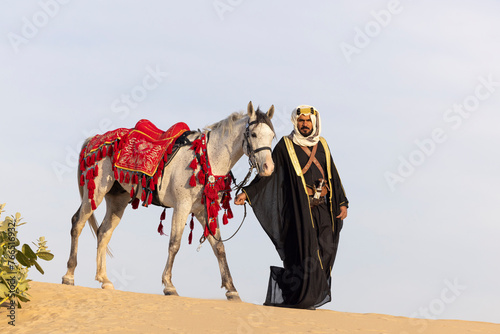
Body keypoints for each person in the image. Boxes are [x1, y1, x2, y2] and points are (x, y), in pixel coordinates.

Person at [234, 105, 348, 309]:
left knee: (327, 250)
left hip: (323, 208)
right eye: (301, 121)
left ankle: (308, 295)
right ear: (296, 122)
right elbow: (269, 175)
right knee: (305, 254)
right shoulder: (286, 145)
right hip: (299, 210)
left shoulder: (322, 144)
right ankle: (303, 299)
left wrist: (342, 202)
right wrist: (248, 193)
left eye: (308, 121)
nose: (304, 124)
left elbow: (334, 175)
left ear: (314, 122)